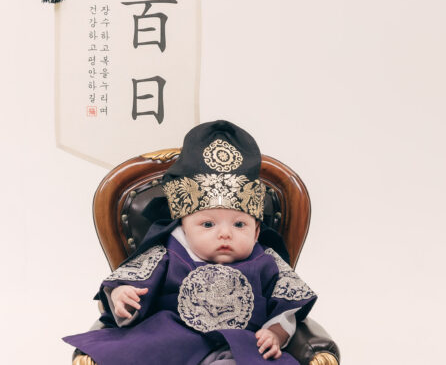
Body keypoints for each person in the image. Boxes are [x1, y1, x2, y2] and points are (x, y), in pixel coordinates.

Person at [63, 120, 317, 365]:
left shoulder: (266, 261)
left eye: (239, 225)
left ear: (257, 231)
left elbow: (288, 309)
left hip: (240, 347)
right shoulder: (167, 253)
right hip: (172, 343)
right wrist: (121, 295)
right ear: (183, 226)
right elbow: (134, 284)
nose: (225, 234)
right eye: (208, 224)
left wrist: (275, 333)